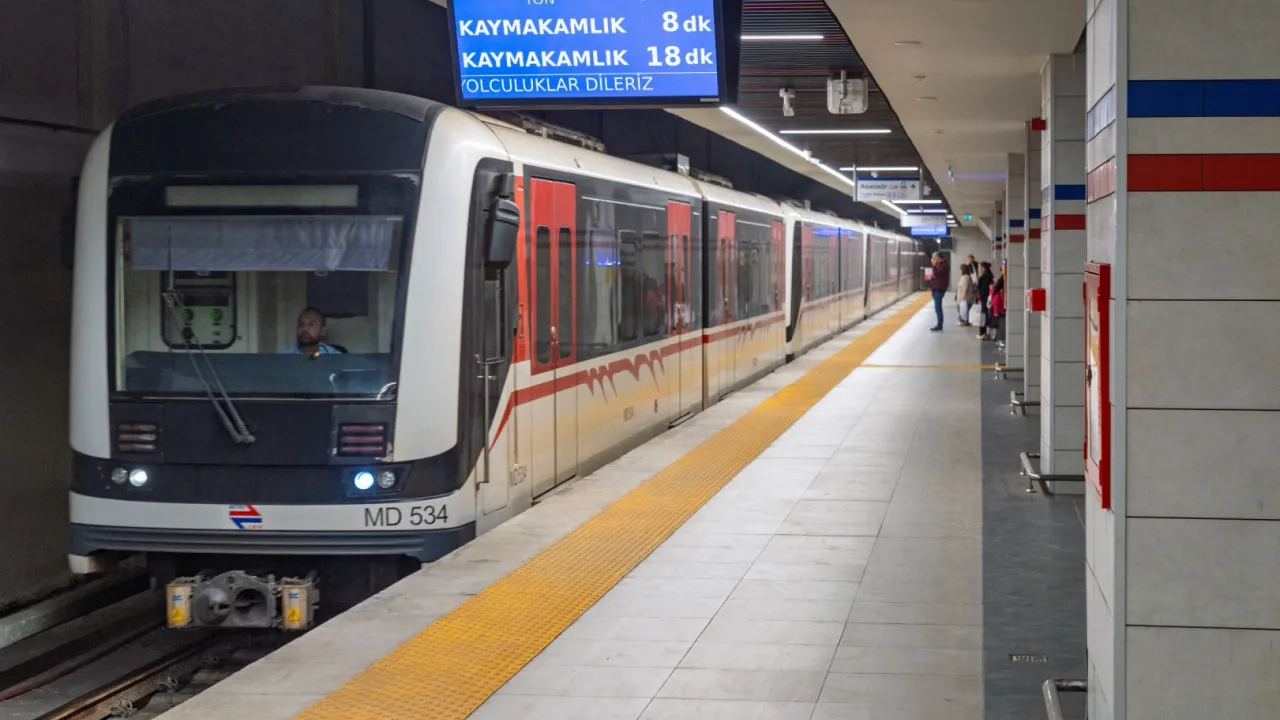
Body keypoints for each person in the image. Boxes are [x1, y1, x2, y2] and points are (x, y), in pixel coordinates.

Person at [928, 251, 950, 332]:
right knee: (937, 308)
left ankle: (939, 325)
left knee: (938, 308)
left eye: (935, 259)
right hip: (935, 289)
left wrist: (934, 265)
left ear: (938, 258)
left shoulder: (944, 266)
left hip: (939, 289)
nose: (934, 260)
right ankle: (939, 324)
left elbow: (936, 273)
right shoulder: (940, 265)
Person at [974, 262, 994, 339]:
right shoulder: (988, 276)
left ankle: (982, 333)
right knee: (985, 316)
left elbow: (984, 290)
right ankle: (984, 333)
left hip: (985, 300)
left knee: (983, 316)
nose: (978, 269)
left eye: (979, 267)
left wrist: (980, 298)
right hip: (987, 299)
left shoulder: (985, 277)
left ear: (983, 268)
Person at [985, 276, 1005, 341]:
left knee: (991, 322)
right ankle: (994, 336)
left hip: (992, 309)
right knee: (996, 323)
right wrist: (1001, 311)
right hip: (997, 310)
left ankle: (989, 334)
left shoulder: (994, 289)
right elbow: (999, 302)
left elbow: (991, 300)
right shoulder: (1000, 292)